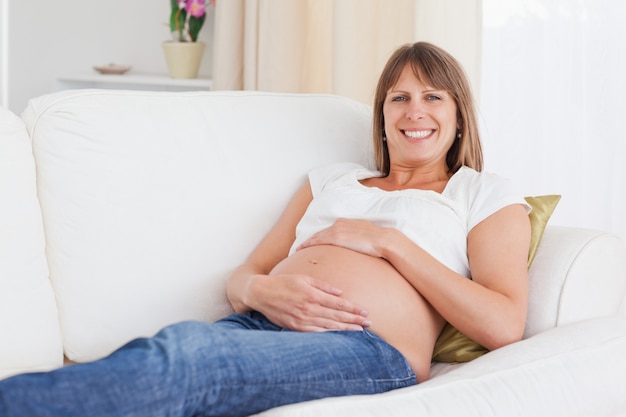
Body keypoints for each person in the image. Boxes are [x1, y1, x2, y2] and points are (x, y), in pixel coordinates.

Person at [0, 42, 531, 417]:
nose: (415, 111)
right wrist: (262, 290)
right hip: (261, 325)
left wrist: (388, 243)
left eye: (433, 97)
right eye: (400, 97)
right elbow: (245, 275)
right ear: (383, 116)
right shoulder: (334, 181)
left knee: (185, 361)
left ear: (459, 116)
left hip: (369, 349)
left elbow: (504, 322)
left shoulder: (479, 193)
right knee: (170, 349)